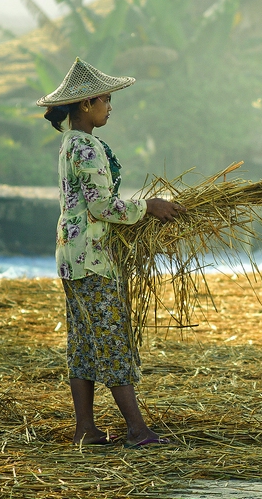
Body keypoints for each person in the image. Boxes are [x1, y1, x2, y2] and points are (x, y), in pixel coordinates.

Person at [37, 58, 185, 448]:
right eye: (105, 99)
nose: (110, 106)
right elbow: (101, 207)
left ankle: (85, 428)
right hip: (92, 258)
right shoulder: (85, 146)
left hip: (72, 255)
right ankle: (137, 430)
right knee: (112, 340)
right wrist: (148, 207)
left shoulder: (71, 142)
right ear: (86, 104)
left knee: (85, 341)